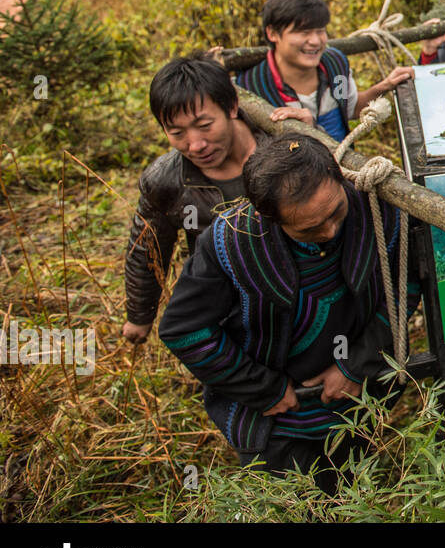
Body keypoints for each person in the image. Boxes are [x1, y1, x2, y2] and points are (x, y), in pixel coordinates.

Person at [159, 135, 417, 493]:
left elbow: (403, 288)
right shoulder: (230, 243)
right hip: (274, 418)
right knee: (294, 502)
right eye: (310, 228)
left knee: (355, 492)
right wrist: (265, 388)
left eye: (335, 213)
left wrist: (354, 366)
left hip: (354, 400)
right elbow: (185, 331)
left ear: (338, 177)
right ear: (269, 219)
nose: (330, 231)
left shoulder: (375, 209)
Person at [123, 57, 262, 345]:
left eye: (205, 125)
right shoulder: (165, 181)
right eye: (177, 133)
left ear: (232, 107)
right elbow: (147, 249)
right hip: (226, 304)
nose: (196, 144)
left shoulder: (282, 150)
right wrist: (139, 315)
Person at [236, 0, 414, 141]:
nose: (315, 41)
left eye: (320, 31)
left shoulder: (335, 67)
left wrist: (386, 85)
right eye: (303, 32)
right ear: (273, 33)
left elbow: (349, 107)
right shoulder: (251, 88)